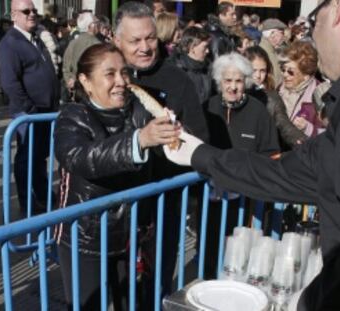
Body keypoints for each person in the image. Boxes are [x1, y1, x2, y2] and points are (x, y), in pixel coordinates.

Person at [164, 0, 340, 310]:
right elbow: (292, 172)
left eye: (313, 25)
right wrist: (202, 155)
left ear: (338, 9)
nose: (312, 43)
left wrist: (315, 299)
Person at [54, 43, 179, 310]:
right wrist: (139, 141)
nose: (121, 82)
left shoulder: (138, 111)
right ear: (85, 82)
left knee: (129, 303)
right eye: (110, 74)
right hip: (85, 237)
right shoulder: (73, 115)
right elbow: (80, 157)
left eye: (124, 73)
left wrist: (173, 132)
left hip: (129, 235)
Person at [113, 1, 209, 303]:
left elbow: (200, 137)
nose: (144, 47)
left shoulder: (178, 79)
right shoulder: (107, 73)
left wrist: (176, 135)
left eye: (150, 38)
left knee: (156, 283)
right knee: (119, 283)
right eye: (135, 40)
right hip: (116, 202)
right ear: (117, 41)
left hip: (163, 201)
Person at [202, 52, 280, 278]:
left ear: (246, 82)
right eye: (228, 81)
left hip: (244, 201)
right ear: (219, 81)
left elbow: (271, 151)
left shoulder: (257, 111)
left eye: (238, 81)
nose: (233, 87)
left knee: (239, 256)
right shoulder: (208, 107)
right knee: (210, 250)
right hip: (212, 198)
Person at [0, 0, 59, 212]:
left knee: (39, 156)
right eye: (26, 11)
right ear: (14, 15)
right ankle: (27, 202)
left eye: (34, 11)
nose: (32, 14)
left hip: (45, 111)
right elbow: (10, 83)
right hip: (30, 114)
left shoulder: (35, 38)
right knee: (26, 158)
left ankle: (42, 195)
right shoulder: (10, 43)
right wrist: (29, 110)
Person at [278, 41, 322, 146]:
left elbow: (328, 132)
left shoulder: (320, 94)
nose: (285, 75)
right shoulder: (279, 89)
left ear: (306, 74)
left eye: (290, 72)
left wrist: (307, 128)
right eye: (283, 69)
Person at [168, 26, 212, 104]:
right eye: (205, 47)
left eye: (208, 47)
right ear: (192, 47)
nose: (208, 51)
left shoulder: (208, 68)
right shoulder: (175, 70)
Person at [62, 11, 100, 100]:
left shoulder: (73, 43)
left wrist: (70, 80)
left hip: (77, 92)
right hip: (93, 92)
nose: (98, 24)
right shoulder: (97, 44)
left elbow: (66, 67)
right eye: (96, 22)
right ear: (91, 26)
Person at [259, 18, 287, 86]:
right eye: (281, 33)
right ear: (272, 34)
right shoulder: (263, 53)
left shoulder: (271, 51)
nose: (283, 37)